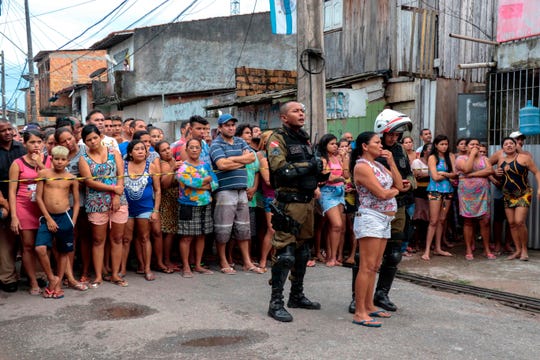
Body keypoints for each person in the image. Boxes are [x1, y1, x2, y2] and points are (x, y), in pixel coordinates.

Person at [266, 101, 326, 322]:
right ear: (284, 117)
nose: (301, 114)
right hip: (289, 203)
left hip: (307, 201)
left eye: (302, 111)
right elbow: (281, 169)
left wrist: (318, 171)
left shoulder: (303, 137)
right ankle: (275, 303)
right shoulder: (276, 138)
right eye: (296, 111)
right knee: (285, 254)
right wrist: (311, 166)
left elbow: (305, 165)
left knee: (302, 251)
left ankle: (296, 295)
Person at [350, 131, 402, 327]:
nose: (381, 146)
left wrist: (392, 163)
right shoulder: (362, 167)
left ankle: (369, 305)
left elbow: (399, 184)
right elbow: (382, 193)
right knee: (366, 266)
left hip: (384, 219)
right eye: (377, 142)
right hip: (370, 218)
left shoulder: (378, 164)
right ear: (365, 146)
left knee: (375, 266)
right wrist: (394, 191)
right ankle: (359, 312)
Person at [210, 114, 262, 275]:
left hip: (242, 189)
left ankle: (247, 262)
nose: (231, 127)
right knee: (223, 229)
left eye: (233, 125)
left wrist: (232, 159)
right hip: (225, 190)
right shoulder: (216, 144)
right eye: (227, 125)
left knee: (243, 228)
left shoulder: (240, 141)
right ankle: (223, 261)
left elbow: (251, 158)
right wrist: (240, 159)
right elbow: (222, 164)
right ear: (220, 128)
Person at [79, 125, 128, 288]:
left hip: (118, 200)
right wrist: (113, 189)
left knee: (117, 238)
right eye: (88, 140)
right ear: (84, 142)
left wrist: (117, 195)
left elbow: (120, 175)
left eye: (94, 138)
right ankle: (99, 275)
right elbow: (89, 181)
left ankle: (115, 274)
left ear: (100, 137)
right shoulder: (83, 158)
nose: (93, 142)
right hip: (96, 202)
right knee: (98, 240)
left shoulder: (114, 152)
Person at [9, 130, 51, 295]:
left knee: (43, 245)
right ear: (25, 144)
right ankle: (32, 282)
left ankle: (44, 275)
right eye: (32, 142)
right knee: (27, 246)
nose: (36, 146)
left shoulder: (49, 161)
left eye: (39, 142)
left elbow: (53, 181)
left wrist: (40, 164)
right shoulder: (17, 163)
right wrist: (13, 216)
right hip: (24, 207)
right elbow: (12, 191)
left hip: (44, 209)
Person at [35, 145, 80, 299]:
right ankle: (51, 278)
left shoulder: (71, 178)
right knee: (40, 248)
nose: (59, 162)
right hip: (47, 217)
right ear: (51, 159)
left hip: (65, 216)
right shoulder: (43, 174)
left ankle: (58, 283)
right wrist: (48, 218)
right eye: (56, 159)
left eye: (63, 159)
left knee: (63, 252)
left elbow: (77, 202)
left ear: (67, 161)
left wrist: (72, 221)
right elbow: (39, 198)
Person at [176, 138, 218, 277]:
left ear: (201, 150)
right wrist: (205, 181)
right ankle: (186, 267)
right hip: (187, 205)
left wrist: (200, 183)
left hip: (205, 204)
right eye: (192, 147)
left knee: (201, 236)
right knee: (186, 237)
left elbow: (215, 183)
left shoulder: (206, 165)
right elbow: (190, 183)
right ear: (186, 149)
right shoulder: (182, 167)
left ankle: (198, 265)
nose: (194, 150)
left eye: (197, 147)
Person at [55, 128, 90, 289]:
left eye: (70, 138)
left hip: (86, 200)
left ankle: (85, 271)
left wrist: (78, 180)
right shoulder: (59, 156)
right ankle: (68, 274)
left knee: (85, 237)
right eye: (64, 141)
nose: (68, 143)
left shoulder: (85, 150)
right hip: (67, 202)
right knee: (71, 237)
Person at [122, 140, 162, 281]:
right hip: (126, 208)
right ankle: (121, 270)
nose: (140, 151)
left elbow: (157, 190)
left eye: (143, 149)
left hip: (145, 207)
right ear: (130, 153)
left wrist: (155, 210)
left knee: (145, 238)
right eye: (137, 149)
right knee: (126, 239)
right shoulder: (123, 166)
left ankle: (147, 269)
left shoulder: (151, 167)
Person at [496, 137, 540, 261]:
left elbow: (537, 172)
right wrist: (496, 174)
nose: (509, 145)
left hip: (523, 193)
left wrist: (539, 188)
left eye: (511, 143)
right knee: (511, 223)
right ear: (502, 147)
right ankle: (518, 250)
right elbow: (500, 178)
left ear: (516, 146)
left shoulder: (524, 158)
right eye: (506, 144)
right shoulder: (501, 161)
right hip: (508, 195)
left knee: (519, 221)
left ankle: (524, 250)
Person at [0, 119, 27, 293]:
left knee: (27, 240)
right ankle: (8, 277)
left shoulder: (21, 149)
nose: (8, 133)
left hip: (24, 201)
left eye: (10, 129)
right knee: (6, 241)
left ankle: (33, 274)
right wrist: (5, 203)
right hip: (2, 202)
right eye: (3, 130)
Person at [422, 134, 457, 261]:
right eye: (441, 144)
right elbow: (435, 177)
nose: (444, 146)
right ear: (436, 145)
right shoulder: (432, 157)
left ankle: (438, 248)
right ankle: (427, 250)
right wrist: (448, 175)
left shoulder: (451, 156)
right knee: (433, 221)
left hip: (448, 190)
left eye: (446, 144)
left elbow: (455, 174)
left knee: (442, 220)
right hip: (435, 190)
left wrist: (444, 173)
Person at [317, 134, 347, 267]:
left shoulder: (337, 158)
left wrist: (345, 157)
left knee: (334, 227)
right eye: (332, 144)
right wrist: (338, 179)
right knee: (337, 224)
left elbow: (346, 174)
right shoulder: (323, 159)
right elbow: (326, 176)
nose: (335, 146)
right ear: (325, 145)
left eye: (336, 143)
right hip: (328, 192)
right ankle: (331, 257)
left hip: (340, 192)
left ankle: (332, 256)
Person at [156, 140, 180, 271]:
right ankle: (166, 260)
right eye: (163, 150)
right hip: (167, 200)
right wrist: (172, 169)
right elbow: (164, 184)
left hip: (176, 199)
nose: (167, 152)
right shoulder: (163, 164)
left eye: (168, 149)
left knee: (173, 232)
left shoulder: (174, 161)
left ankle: (170, 258)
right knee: (168, 232)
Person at [256, 130, 275, 271]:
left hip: (282, 195)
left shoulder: (281, 156)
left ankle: (274, 258)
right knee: (272, 229)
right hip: (270, 196)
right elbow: (268, 181)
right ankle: (263, 260)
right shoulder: (262, 157)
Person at [411, 143, 432, 252]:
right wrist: (433, 173)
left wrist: (427, 174)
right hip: (419, 191)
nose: (432, 150)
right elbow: (418, 175)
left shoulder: (434, 161)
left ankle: (425, 243)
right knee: (419, 217)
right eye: (429, 148)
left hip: (431, 191)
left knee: (429, 217)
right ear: (424, 151)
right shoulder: (417, 161)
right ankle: (416, 243)